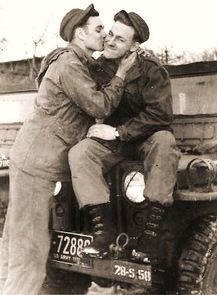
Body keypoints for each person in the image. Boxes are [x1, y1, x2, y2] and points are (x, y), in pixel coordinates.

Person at [0, 4, 136, 295]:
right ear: (79, 33)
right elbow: (99, 104)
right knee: (30, 250)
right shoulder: (69, 65)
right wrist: (123, 73)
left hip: (36, 161)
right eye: (99, 29)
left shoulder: (78, 60)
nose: (105, 35)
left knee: (17, 238)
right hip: (37, 166)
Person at [69, 10, 181, 264]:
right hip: (114, 142)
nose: (109, 41)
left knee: (165, 142)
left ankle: (150, 236)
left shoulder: (152, 70)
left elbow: (161, 115)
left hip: (145, 139)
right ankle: (103, 232)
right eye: (110, 34)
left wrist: (119, 131)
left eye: (120, 39)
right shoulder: (99, 67)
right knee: (80, 152)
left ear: (134, 45)